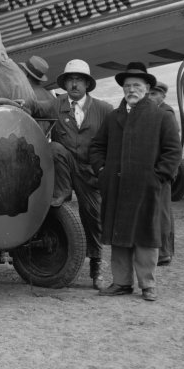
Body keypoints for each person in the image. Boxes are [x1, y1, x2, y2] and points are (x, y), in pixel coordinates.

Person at [91, 62, 182, 302]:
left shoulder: (161, 117)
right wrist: (103, 171)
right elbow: (97, 146)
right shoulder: (113, 118)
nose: (131, 90)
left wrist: (157, 177)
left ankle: (147, 284)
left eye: (137, 86)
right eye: (127, 86)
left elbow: (173, 152)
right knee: (119, 236)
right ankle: (121, 283)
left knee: (145, 236)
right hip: (117, 187)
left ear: (147, 88)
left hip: (147, 188)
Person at [46, 59, 115, 288]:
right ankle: (62, 194)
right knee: (54, 148)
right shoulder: (55, 105)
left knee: (94, 217)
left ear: (87, 84)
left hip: (90, 172)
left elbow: (115, 138)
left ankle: (96, 266)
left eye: (79, 80)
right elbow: (32, 106)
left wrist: (105, 169)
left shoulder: (104, 109)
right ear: (65, 84)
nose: (74, 84)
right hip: (65, 168)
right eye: (70, 80)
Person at [147, 81, 177, 267]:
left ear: (162, 96)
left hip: (161, 171)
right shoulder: (152, 112)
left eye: (154, 94)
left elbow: (172, 147)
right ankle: (159, 251)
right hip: (154, 170)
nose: (150, 97)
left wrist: (163, 172)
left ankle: (164, 253)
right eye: (149, 93)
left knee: (163, 213)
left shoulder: (166, 113)